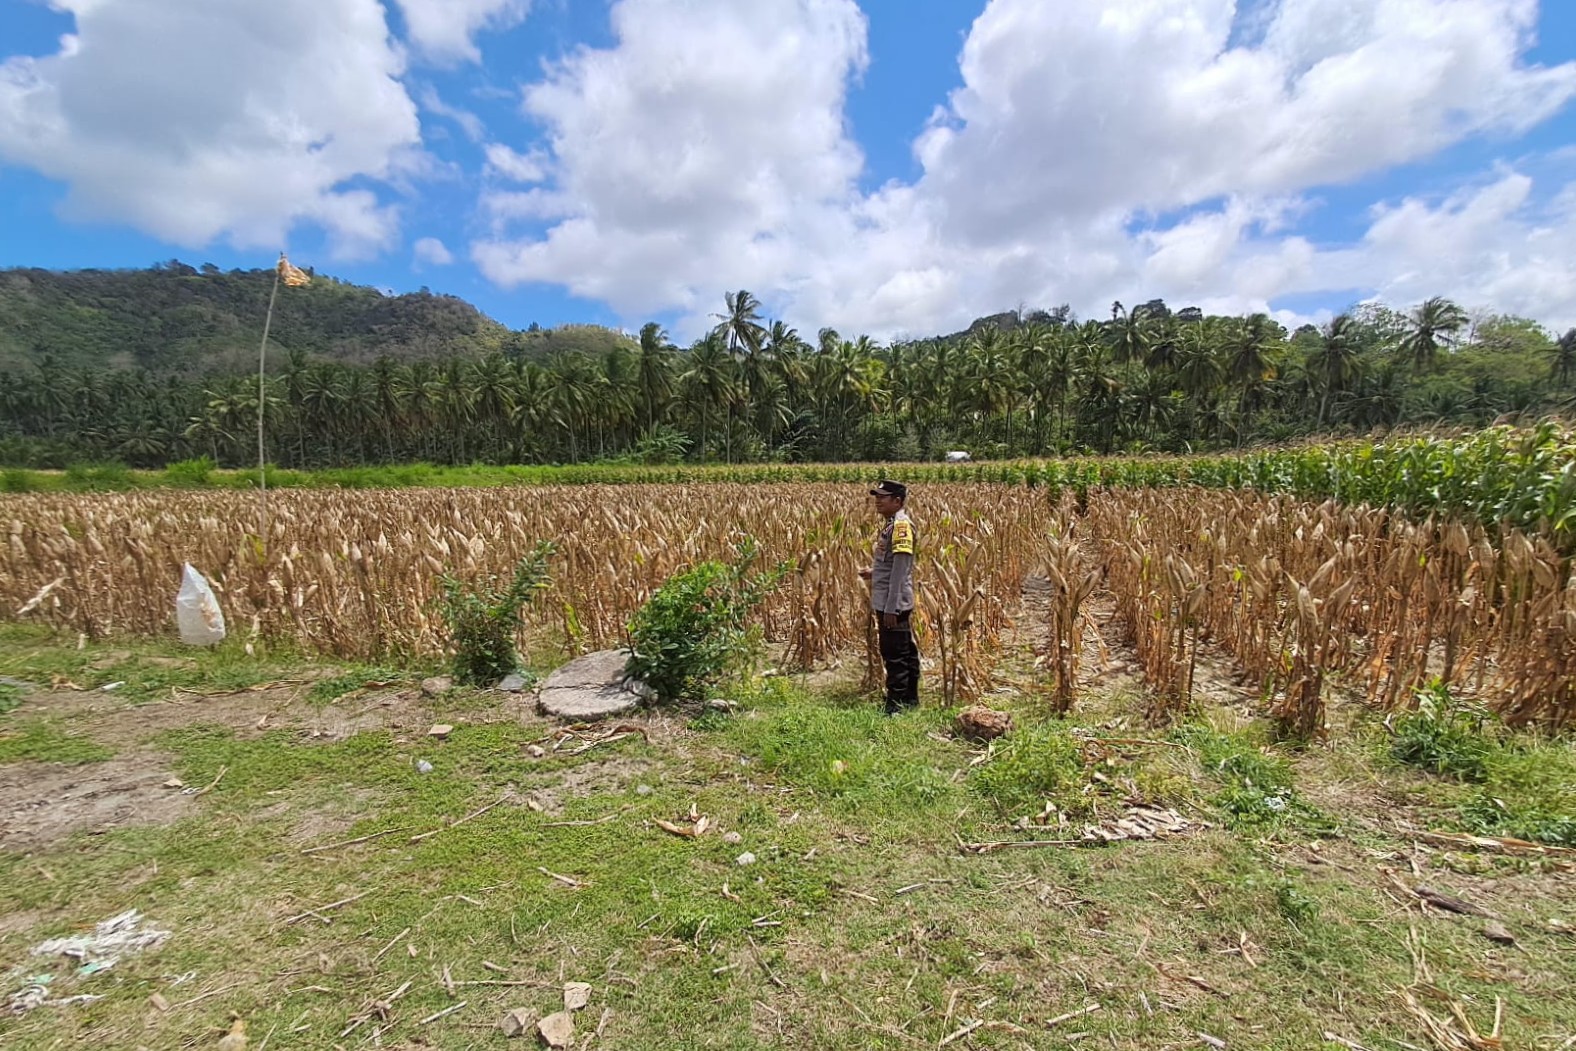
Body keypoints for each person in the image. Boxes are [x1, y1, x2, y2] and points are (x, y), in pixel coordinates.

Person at [860, 479, 920, 713]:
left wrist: (892, 608)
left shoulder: (901, 527)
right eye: (876, 496)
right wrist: (874, 572)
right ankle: (910, 699)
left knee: (894, 654)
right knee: (904, 650)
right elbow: (892, 564)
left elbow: (901, 570)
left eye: (882, 497)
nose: (877, 501)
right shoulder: (891, 525)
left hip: (892, 603)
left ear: (897, 501)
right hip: (888, 599)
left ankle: (895, 706)